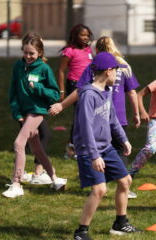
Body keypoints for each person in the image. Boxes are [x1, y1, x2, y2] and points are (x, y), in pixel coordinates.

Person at [49, 36, 140, 199]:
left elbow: (80, 90)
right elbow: (84, 92)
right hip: (105, 118)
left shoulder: (115, 67)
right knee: (114, 152)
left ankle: (119, 184)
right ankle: (105, 183)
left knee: (116, 151)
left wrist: (62, 105)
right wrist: (137, 112)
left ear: (97, 50)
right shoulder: (112, 67)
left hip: (111, 118)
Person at [72, 52, 140, 240]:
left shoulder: (107, 92)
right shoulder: (88, 95)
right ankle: (81, 232)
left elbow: (113, 120)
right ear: (108, 70)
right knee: (99, 190)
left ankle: (120, 223)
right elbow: (85, 127)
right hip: (89, 149)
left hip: (106, 147)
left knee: (125, 181)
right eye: (116, 72)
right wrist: (94, 156)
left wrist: (124, 139)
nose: (117, 76)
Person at [4, 32, 67, 198]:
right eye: (25, 52)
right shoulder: (18, 66)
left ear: (40, 53)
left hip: (38, 110)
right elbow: (13, 91)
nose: (28, 56)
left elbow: (54, 94)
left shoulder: (44, 68)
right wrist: (16, 111)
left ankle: (16, 183)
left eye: (31, 53)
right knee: (37, 148)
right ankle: (55, 179)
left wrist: (38, 88)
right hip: (24, 111)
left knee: (19, 143)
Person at [57, 24, 94, 159]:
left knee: (86, 116)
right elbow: (61, 70)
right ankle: (72, 148)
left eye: (87, 35)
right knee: (81, 116)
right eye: (82, 35)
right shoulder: (69, 51)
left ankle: (82, 146)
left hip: (89, 86)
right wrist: (61, 90)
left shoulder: (89, 50)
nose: (85, 37)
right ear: (75, 36)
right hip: (75, 86)